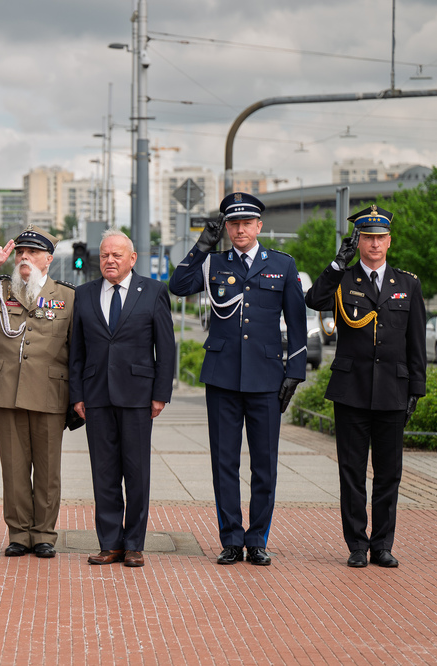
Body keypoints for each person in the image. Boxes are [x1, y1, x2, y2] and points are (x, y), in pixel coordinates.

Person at [169, 192, 306, 567]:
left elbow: (297, 324)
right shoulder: (213, 263)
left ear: (259, 226)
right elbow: (177, 285)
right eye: (233, 223)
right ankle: (231, 539)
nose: (240, 229)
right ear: (226, 228)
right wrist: (200, 246)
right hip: (223, 377)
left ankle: (257, 539)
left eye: (247, 223)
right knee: (224, 462)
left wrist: (294, 373)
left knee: (265, 464)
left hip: (265, 378)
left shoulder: (281, 265)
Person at [305, 205, 426, 569]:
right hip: (351, 390)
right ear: (358, 242)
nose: (374, 243)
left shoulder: (407, 284)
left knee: (389, 474)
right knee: (352, 472)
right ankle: (357, 545)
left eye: (380, 237)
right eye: (367, 237)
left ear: (389, 241)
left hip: (393, 390)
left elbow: (416, 342)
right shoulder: (343, 279)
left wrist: (416, 390)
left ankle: (382, 545)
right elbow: (314, 300)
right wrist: (336, 264)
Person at [0, 225, 75, 558]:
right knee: (13, 467)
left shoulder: (67, 297)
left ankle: (44, 534)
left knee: (48, 470)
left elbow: (78, 349)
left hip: (50, 392)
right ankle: (19, 534)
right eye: (21, 252)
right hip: (6, 391)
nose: (25, 257)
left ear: (48, 259)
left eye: (33, 252)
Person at [69, 230, 175, 568]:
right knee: (104, 472)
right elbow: (76, 351)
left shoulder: (154, 291)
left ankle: (134, 544)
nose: (110, 261)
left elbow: (166, 347)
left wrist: (160, 394)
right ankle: (110, 543)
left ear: (132, 258)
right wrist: (77, 395)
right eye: (104, 255)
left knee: (136, 470)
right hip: (96, 395)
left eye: (117, 255)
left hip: (138, 396)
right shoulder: (83, 294)